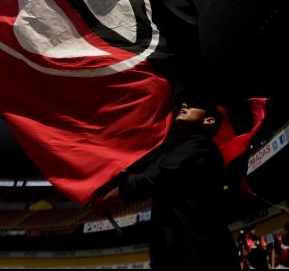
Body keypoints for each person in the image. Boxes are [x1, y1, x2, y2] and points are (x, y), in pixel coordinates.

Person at [94, 94, 239, 269]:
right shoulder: (187, 151)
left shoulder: (201, 146)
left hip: (195, 255)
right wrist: (110, 177)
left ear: (208, 121)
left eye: (193, 106)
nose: (184, 105)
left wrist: (109, 199)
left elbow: (152, 178)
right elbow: (151, 176)